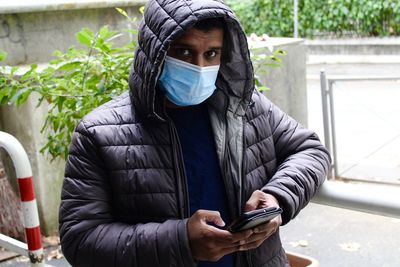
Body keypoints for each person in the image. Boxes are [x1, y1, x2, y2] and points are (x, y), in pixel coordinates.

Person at [59, 0, 331, 266]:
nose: (200, 67)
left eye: (212, 53)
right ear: (155, 53)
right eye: (184, 52)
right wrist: (180, 241)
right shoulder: (99, 133)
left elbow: (310, 151)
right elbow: (80, 239)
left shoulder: (243, 107)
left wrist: (277, 198)